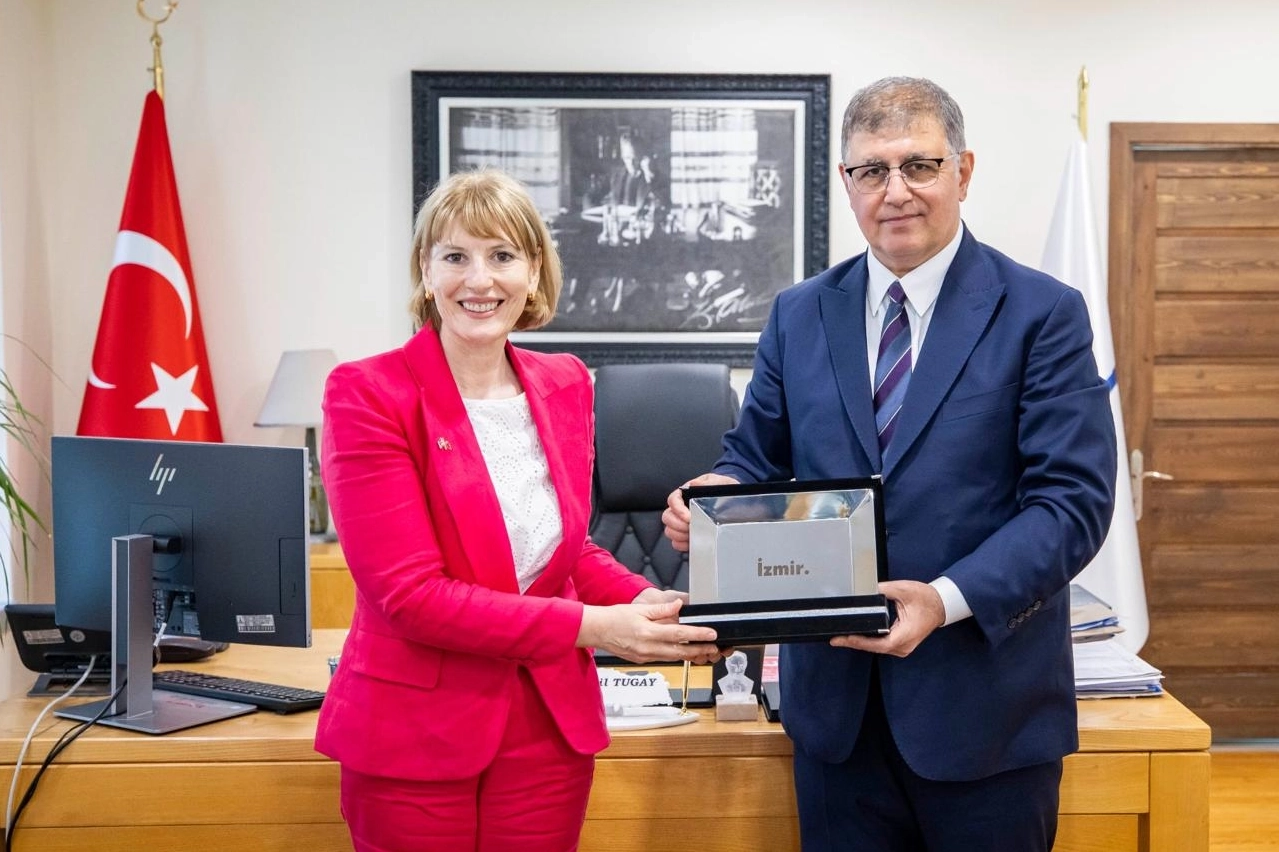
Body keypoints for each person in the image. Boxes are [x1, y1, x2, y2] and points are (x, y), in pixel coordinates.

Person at [663, 77, 1117, 851]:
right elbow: (754, 458)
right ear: (847, 183)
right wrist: (718, 495)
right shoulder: (799, 312)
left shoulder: (1041, 312)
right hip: (835, 719)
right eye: (872, 170)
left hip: (985, 715)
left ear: (962, 172)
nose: (895, 191)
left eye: (919, 165)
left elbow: (1069, 504)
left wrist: (942, 600)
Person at [316, 168, 722, 852]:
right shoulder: (369, 393)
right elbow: (409, 595)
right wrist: (597, 627)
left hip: (546, 726)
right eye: (455, 256)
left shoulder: (565, 382)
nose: (479, 280)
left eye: (502, 255)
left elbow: (566, 551)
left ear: (533, 271)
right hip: (416, 729)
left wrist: (645, 601)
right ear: (426, 272)